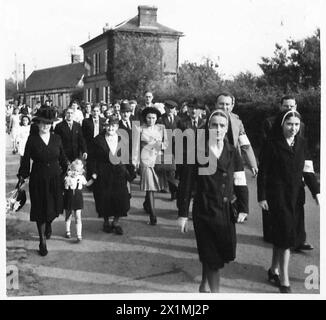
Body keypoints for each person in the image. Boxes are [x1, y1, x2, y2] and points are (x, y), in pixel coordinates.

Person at [178, 109, 249, 293]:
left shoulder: (233, 153)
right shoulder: (196, 152)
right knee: (213, 258)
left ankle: (203, 285)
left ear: (227, 129)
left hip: (225, 211)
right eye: (214, 125)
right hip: (204, 210)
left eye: (222, 126)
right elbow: (186, 184)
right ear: (208, 127)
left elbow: (240, 181)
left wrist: (244, 208)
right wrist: (183, 214)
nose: (218, 129)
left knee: (217, 253)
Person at [257, 110, 320, 293]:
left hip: (295, 197)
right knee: (286, 237)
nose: (293, 128)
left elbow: (307, 170)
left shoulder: (302, 143)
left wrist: (316, 192)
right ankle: (284, 279)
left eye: (296, 125)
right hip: (277, 197)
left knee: (282, 235)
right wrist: (262, 196)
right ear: (282, 125)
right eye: (289, 124)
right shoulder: (271, 144)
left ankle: (273, 269)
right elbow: (264, 173)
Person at [261, 96, 312, 251]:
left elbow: (302, 151)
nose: (289, 108)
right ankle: (274, 236)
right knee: (278, 216)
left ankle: (297, 239)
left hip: (294, 179)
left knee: (296, 211)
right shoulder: (270, 123)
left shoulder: (300, 124)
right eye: (286, 106)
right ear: (280, 106)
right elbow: (266, 152)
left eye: (292, 105)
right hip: (275, 172)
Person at [17, 106, 68, 256]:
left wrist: (69, 171)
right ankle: (42, 241)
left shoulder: (57, 139)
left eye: (48, 123)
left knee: (52, 207)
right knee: (40, 208)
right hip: (38, 178)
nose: (45, 126)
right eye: (42, 123)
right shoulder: (32, 140)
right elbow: (25, 160)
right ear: (37, 123)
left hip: (55, 178)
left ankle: (49, 224)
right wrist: (22, 176)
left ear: (52, 124)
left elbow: (63, 158)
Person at [89, 117, 135, 235]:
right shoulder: (97, 140)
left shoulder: (122, 139)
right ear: (105, 126)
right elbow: (92, 158)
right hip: (103, 172)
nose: (110, 128)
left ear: (117, 127)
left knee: (120, 198)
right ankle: (106, 221)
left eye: (113, 126)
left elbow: (127, 156)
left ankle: (116, 222)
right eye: (108, 126)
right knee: (104, 198)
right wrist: (93, 172)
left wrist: (131, 170)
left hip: (119, 172)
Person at [132, 107, 168, 225]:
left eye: (153, 118)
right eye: (148, 118)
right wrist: (135, 160)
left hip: (158, 160)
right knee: (150, 187)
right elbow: (136, 146)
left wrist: (157, 145)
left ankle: (148, 205)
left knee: (153, 187)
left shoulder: (161, 128)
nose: (151, 120)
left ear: (157, 118)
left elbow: (166, 144)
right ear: (145, 118)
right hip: (145, 160)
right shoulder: (139, 129)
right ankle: (153, 216)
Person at [214, 92, 258, 176]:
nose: (224, 107)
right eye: (221, 104)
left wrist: (252, 164)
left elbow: (245, 144)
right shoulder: (206, 122)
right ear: (215, 104)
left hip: (233, 163)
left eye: (227, 104)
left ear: (232, 106)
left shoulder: (237, 122)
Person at [177, 98, 206, 218]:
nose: (194, 110)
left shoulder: (205, 123)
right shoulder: (182, 123)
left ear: (201, 111)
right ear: (188, 109)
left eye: (197, 108)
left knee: (200, 187)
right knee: (185, 187)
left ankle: (198, 211)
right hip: (186, 160)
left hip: (201, 160)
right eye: (192, 108)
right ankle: (183, 211)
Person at [63, 159, 92, 242]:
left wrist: (93, 179)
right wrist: (66, 182)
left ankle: (79, 235)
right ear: (71, 170)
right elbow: (64, 188)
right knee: (68, 215)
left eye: (77, 171)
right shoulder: (67, 178)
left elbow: (87, 184)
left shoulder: (81, 178)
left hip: (78, 198)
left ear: (80, 171)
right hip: (69, 197)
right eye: (74, 170)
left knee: (78, 216)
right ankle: (67, 231)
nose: (75, 172)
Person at [159, 100, 181, 200]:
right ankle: (173, 191)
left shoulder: (178, 119)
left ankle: (173, 189)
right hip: (166, 147)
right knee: (169, 170)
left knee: (175, 170)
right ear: (165, 108)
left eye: (172, 108)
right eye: (168, 108)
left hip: (177, 147)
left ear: (174, 109)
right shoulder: (161, 119)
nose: (170, 110)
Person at [82, 104, 106, 180]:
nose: (95, 113)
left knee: (100, 164)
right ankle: (90, 183)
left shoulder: (104, 120)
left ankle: (100, 181)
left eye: (97, 111)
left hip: (100, 146)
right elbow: (83, 136)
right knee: (90, 164)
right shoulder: (86, 121)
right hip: (90, 147)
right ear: (91, 112)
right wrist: (84, 150)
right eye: (94, 111)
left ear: (100, 112)